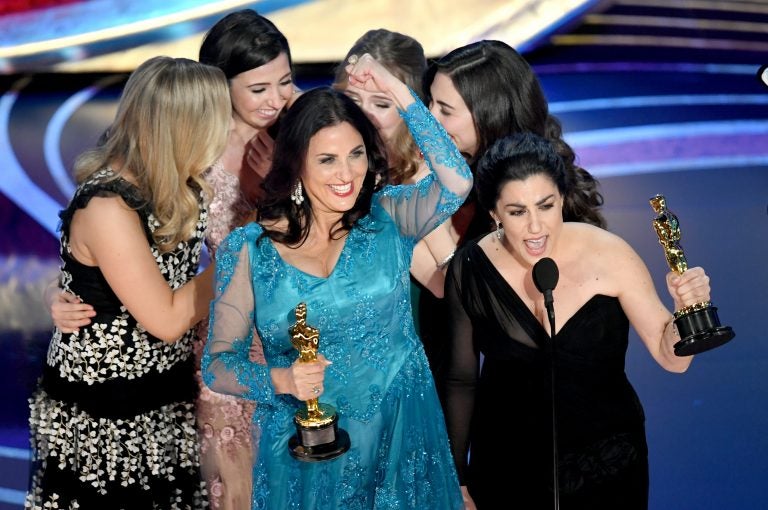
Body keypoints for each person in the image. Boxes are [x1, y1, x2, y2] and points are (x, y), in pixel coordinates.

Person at [44, 10, 296, 509]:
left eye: (284, 82)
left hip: (183, 371)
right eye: (256, 88)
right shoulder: (133, 189)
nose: (276, 100)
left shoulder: (172, 171)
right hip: (129, 394)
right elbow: (160, 306)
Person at [202, 53, 472, 508]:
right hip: (306, 451)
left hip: (401, 435)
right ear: (297, 164)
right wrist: (282, 380)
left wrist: (399, 92)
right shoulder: (249, 250)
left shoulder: (389, 218)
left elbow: (456, 183)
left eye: (356, 154)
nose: (347, 174)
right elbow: (218, 365)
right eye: (327, 159)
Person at [442, 132, 709, 509]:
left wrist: (687, 310)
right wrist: (458, 480)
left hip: (606, 467)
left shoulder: (609, 254)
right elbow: (460, 380)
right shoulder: (470, 268)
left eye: (546, 206)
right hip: (507, 470)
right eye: (517, 212)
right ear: (494, 213)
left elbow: (673, 359)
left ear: (563, 199)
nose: (535, 227)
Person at [26, 56, 231, 509]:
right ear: (183, 128)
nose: (225, 133)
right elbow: (167, 320)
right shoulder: (108, 207)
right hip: (108, 411)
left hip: (163, 391)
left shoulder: (182, 180)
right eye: (217, 120)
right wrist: (238, 260)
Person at [418, 39, 606, 398]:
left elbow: (475, 293)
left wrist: (417, 209)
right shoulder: (463, 174)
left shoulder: (534, 197)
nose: (430, 119)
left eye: (445, 109)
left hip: (544, 403)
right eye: (429, 102)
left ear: (489, 114)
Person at [332, 28, 455, 338]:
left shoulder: (419, 176)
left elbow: (446, 282)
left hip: (403, 337)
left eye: (382, 104)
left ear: (408, 108)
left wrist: (380, 212)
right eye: (353, 99)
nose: (363, 114)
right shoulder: (334, 159)